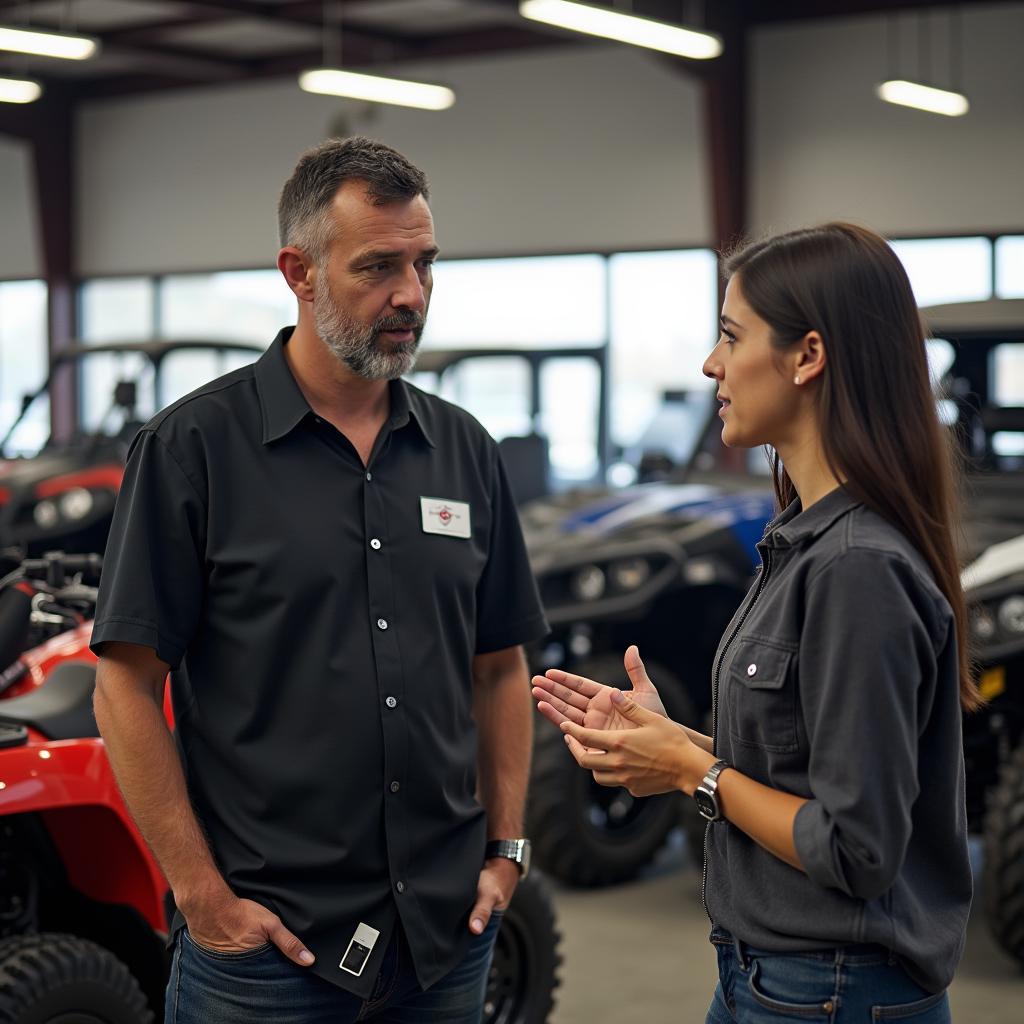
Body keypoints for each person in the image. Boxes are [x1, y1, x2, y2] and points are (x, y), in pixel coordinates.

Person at [92, 136, 548, 1024]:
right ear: (298, 272)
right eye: (378, 267)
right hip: (266, 955)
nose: (410, 296)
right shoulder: (194, 452)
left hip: (447, 939)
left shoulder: (464, 452)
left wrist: (507, 850)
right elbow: (125, 687)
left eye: (424, 265)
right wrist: (200, 896)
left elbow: (500, 666)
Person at [533, 222, 977, 1023]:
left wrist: (689, 773)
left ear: (808, 356)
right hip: (770, 977)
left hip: (832, 991)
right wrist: (674, 746)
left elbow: (855, 846)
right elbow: (806, 774)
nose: (711, 364)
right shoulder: (802, 542)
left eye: (732, 337)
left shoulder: (855, 568)